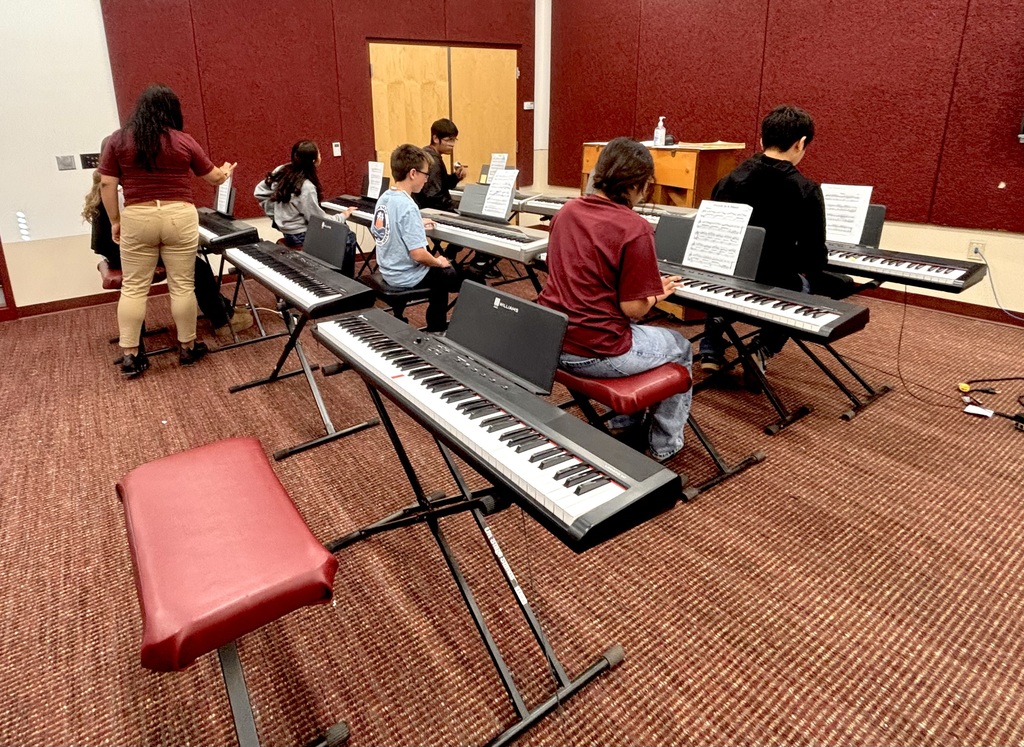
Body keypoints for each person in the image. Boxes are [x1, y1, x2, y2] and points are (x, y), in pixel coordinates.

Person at [537, 137, 692, 462]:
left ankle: (625, 423)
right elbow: (632, 310)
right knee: (680, 347)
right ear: (637, 184)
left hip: (552, 341)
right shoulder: (635, 228)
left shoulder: (566, 211)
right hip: (596, 352)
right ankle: (665, 446)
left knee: (631, 334)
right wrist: (655, 296)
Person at [700, 104, 854, 373]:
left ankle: (711, 347)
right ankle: (762, 348)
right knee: (805, 285)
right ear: (800, 143)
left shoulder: (728, 180)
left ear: (762, 140)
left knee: (730, 269)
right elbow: (813, 257)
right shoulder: (805, 189)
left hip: (724, 279)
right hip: (774, 282)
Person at [98, 84, 236, 377]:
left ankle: (131, 355)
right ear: (172, 111)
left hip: (138, 216)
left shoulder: (118, 139)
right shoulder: (183, 140)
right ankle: (188, 347)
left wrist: (115, 220)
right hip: (179, 215)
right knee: (182, 285)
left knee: (134, 288)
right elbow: (214, 178)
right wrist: (226, 172)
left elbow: (107, 183)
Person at [82, 168, 252, 341]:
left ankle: (223, 308)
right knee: (197, 268)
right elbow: (144, 231)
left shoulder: (106, 191)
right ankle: (222, 321)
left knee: (195, 263)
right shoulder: (121, 195)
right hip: (124, 254)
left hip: (115, 253)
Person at [371, 144, 470, 333]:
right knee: (451, 274)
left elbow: (382, 228)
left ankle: (437, 324)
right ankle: (437, 328)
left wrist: (416, 223)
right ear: (413, 173)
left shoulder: (385, 198)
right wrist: (438, 261)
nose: (427, 179)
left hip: (388, 270)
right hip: (404, 276)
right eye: (426, 174)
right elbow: (418, 255)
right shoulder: (409, 207)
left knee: (441, 273)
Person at [254, 140, 353, 249]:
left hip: (288, 233)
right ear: (314, 160)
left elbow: (260, 192)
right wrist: (342, 216)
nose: (321, 156)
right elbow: (318, 221)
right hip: (301, 235)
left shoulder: (282, 170)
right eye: (319, 153)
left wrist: (277, 216)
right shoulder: (307, 187)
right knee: (348, 237)